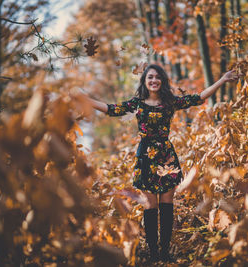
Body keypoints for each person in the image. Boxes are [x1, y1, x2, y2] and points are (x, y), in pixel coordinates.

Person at [87, 64, 238, 262]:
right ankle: (153, 254)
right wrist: (84, 100)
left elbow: (199, 98)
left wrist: (223, 79)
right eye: (150, 77)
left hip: (166, 156)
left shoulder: (170, 102)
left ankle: (165, 252)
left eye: (157, 77)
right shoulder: (138, 103)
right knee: (151, 205)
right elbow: (111, 109)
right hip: (145, 158)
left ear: (162, 81)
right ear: (144, 81)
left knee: (167, 204)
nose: (154, 81)